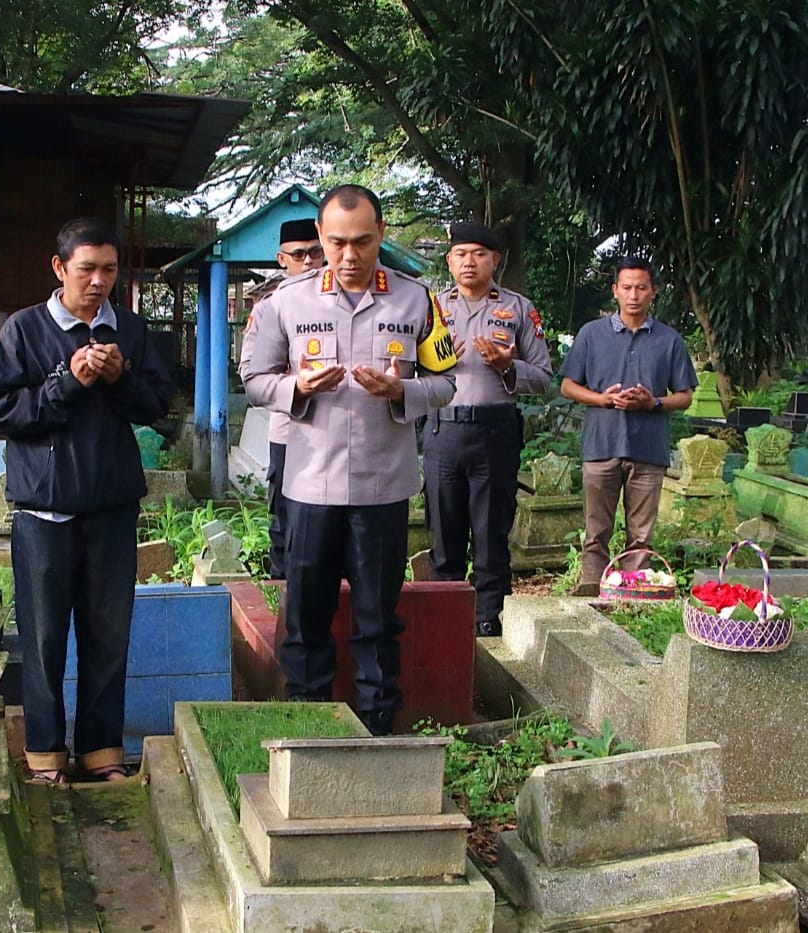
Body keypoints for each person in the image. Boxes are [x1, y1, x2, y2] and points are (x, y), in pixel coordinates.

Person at [240, 185, 457, 736]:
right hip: (311, 484)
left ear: (381, 234)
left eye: (362, 241)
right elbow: (254, 380)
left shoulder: (416, 301)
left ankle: (378, 719)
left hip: (383, 486)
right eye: (336, 242)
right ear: (320, 238)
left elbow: (447, 382)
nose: (350, 255)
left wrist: (401, 390)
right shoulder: (285, 303)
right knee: (305, 616)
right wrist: (297, 385)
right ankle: (305, 721)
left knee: (377, 618)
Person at [0, 218, 171, 784]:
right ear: (60, 268)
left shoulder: (130, 331)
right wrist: (66, 382)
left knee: (108, 635)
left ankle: (101, 751)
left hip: (111, 506)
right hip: (44, 509)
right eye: (86, 269)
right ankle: (44, 753)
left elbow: (156, 405)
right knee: (42, 640)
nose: (98, 281)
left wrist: (117, 377)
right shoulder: (24, 330)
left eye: (109, 270)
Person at [422, 222, 552, 637]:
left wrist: (507, 365)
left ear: (495, 260)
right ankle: (445, 613)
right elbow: (409, 370)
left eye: (479, 254)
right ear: (449, 261)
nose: (469, 262)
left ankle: (487, 618)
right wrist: (435, 364)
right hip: (443, 431)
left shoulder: (516, 309)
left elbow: (544, 377)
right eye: (461, 254)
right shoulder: (432, 309)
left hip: (494, 432)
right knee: (444, 529)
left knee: (491, 530)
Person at [559, 257, 695, 596]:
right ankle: (591, 589)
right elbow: (567, 386)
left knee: (641, 534)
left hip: (648, 448)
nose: (633, 295)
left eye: (641, 288)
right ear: (615, 291)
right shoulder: (592, 334)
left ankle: (633, 594)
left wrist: (654, 403)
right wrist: (602, 399)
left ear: (653, 292)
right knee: (596, 528)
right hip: (601, 445)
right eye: (627, 287)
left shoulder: (669, 340)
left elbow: (685, 396)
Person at [248, 218, 324, 578]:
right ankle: (284, 608)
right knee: (286, 525)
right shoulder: (269, 307)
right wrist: (297, 385)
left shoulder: (341, 302)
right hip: (290, 432)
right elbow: (252, 373)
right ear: (282, 259)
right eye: (299, 254)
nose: (309, 261)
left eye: (316, 252)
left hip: (336, 434)